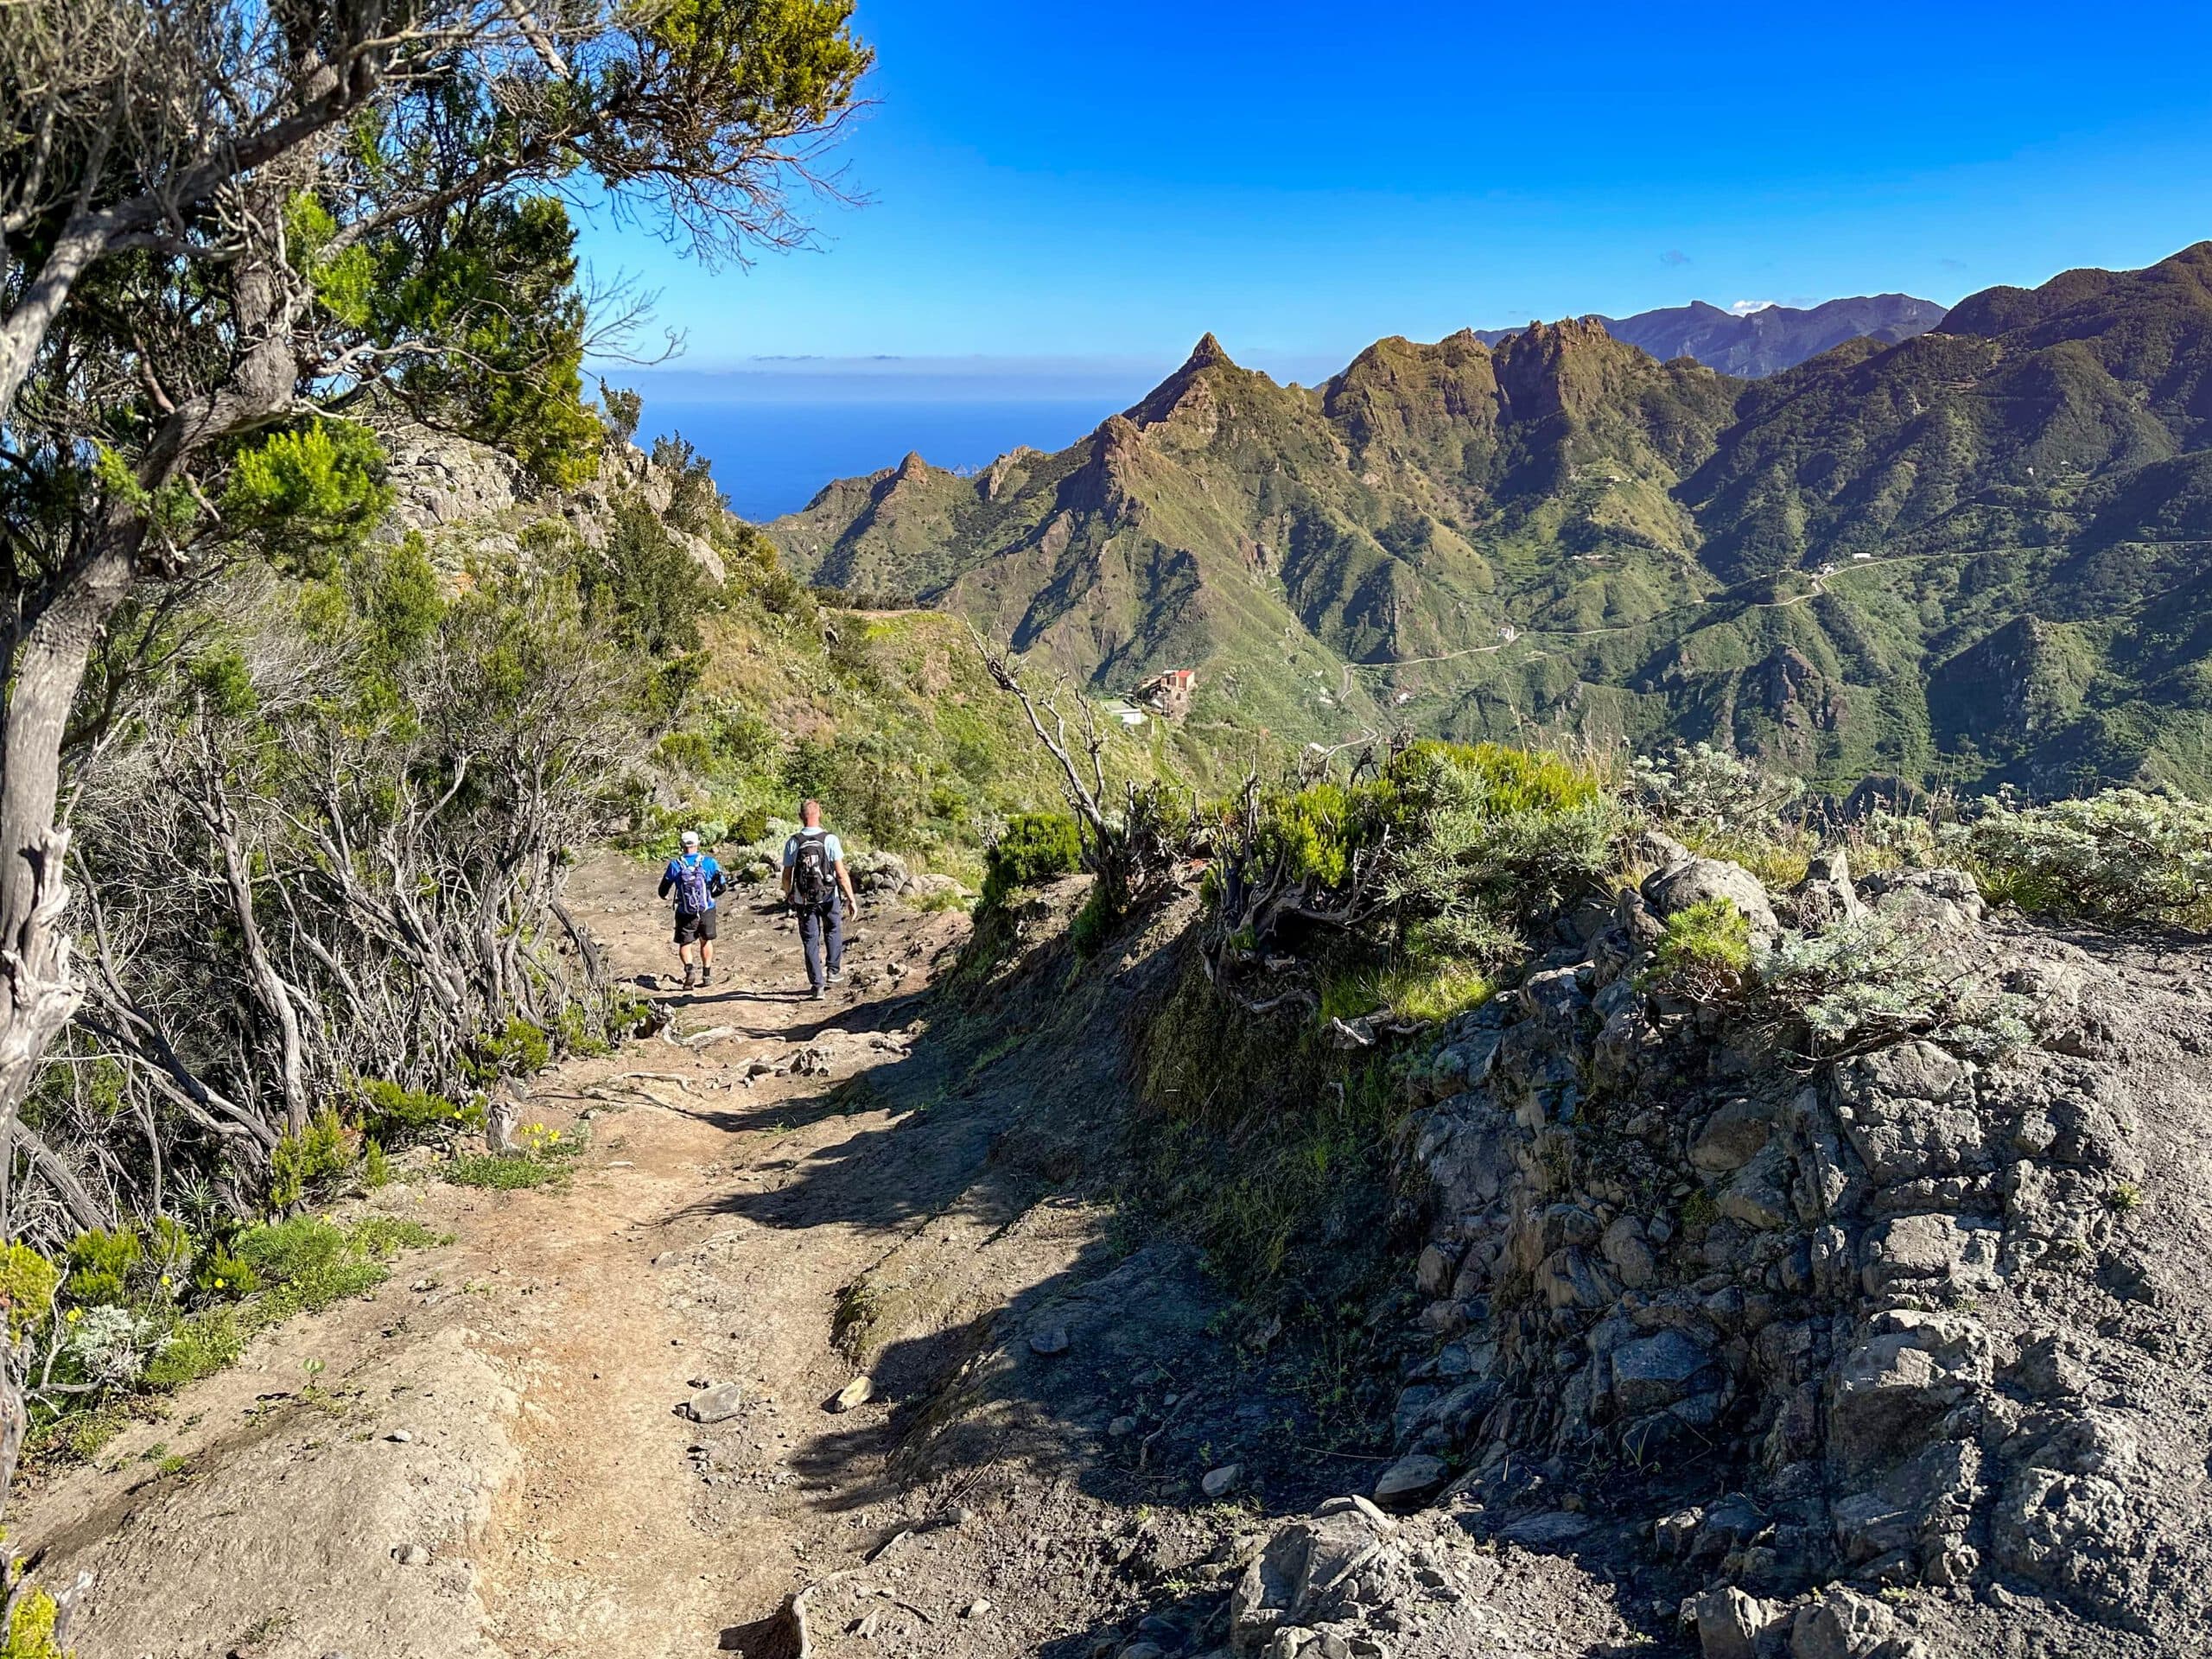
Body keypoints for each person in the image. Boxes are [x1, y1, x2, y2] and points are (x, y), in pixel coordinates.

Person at [781, 798, 859, 1000]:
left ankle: (817, 986)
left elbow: (787, 874)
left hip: (804, 899)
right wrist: (851, 898)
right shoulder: (830, 839)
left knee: (810, 941)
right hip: (829, 896)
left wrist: (788, 893)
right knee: (833, 930)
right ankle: (833, 970)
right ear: (820, 813)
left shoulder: (793, 841)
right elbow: (840, 873)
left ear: (801, 817)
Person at [658, 830, 726, 989]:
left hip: (684, 911)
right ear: (698, 844)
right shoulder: (710, 863)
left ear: (681, 845)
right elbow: (722, 886)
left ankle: (689, 971)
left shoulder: (675, 865)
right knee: (705, 940)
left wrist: (664, 896)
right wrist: (712, 895)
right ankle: (707, 975)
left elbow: (663, 889)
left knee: (685, 943)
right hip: (707, 908)